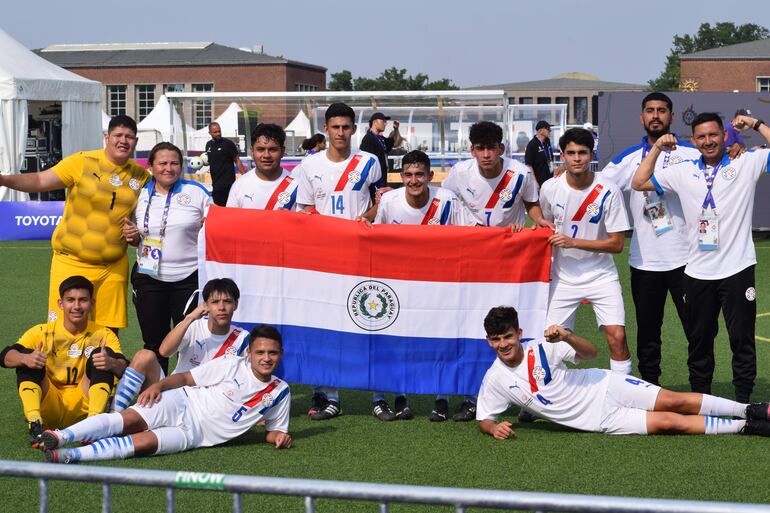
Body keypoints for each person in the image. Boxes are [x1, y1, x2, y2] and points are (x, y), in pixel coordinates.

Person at [631, 112, 770, 403]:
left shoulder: (745, 163)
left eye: (714, 135)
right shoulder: (682, 171)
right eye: (702, 137)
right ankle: (701, 399)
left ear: (724, 136)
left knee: (741, 339)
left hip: (737, 268)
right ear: (694, 141)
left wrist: (756, 124)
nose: (708, 141)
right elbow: (639, 182)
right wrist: (657, 148)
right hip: (696, 272)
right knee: (699, 342)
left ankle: (742, 400)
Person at [476, 306, 770, 439]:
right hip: (600, 420)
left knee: (673, 400)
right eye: (497, 339)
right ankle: (745, 427)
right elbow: (484, 418)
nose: (503, 344)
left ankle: (749, 409)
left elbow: (590, 354)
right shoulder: (495, 379)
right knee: (670, 423)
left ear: (519, 334)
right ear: (490, 340)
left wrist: (566, 336)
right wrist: (493, 428)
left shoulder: (543, 345)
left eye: (508, 337)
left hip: (605, 385)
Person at [37, 325, 291, 463]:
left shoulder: (281, 391)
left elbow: (274, 430)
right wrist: (158, 386)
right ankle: (60, 436)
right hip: (182, 402)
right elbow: (185, 378)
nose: (266, 358)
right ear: (249, 352)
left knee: (144, 443)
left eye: (272, 353)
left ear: (280, 354)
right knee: (129, 421)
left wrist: (279, 438)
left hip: (195, 435)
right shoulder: (230, 364)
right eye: (260, 352)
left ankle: (68, 455)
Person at [0, 115, 150, 332]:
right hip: (71, 262)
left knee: (107, 334)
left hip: (113, 268)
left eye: (129, 137)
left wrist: (135, 236)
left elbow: (142, 222)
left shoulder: (141, 176)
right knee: (62, 331)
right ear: (106, 137)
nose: (123, 141)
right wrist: (4, 180)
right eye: (118, 135)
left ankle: (101, 368)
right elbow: (40, 180)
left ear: (135, 141)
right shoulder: (82, 161)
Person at [601, 93, 701, 386]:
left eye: (661, 110)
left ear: (672, 115)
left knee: (696, 330)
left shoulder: (693, 153)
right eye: (650, 111)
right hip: (644, 261)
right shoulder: (627, 158)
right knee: (647, 332)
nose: (655, 115)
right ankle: (650, 390)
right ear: (641, 117)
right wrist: (563, 173)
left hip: (688, 259)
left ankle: (700, 388)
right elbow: (596, 187)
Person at [372, 150, 477, 421]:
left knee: (441, 341)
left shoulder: (448, 200)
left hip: (440, 284)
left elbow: (473, 234)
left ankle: (441, 399)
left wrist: (509, 236)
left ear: (430, 176)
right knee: (397, 342)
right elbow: (375, 239)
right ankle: (395, 396)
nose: (414, 180)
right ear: (401, 176)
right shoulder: (390, 201)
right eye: (408, 175)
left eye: (419, 174)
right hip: (399, 283)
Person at [294, 102, 382, 420]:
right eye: (335, 127)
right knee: (324, 327)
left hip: (361, 255)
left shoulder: (369, 162)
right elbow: (303, 210)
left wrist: (367, 217)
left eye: (346, 127)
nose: (341, 133)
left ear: (354, 129)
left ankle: (379, 394)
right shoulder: (310, 165)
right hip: (322, 260)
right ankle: (329, 395)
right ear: (326, 130)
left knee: (370, 321)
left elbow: (380, 203)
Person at [539, 128, 632, 376]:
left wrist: (574, 242)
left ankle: (621, 395)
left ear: (592, 155)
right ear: (562, 156)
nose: (577, 158)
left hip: (601, 276)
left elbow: (617, 244)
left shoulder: (609, 190)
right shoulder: (550, 188)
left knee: (617, 337)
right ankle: (546, 395)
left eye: (582, 152)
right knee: (549, 340)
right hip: (562, 278)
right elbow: (544, 222)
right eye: (571, 153)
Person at [0, 276, 127, 445]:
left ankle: (94, 424)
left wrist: (112, 363)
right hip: (50, 403)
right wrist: (26, 358)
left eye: (83, 300)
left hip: (85, 402)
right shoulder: (42, 331)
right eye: (70, 300)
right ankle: (35, 424)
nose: (76, 306)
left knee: (102, 357)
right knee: (29, 359)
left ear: (92, 303)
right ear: (60, 304)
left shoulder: (104, 334)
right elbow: (5, 356)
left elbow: (125, 366)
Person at [121, 143, 211, 374]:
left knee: (191, 341)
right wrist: (131, 236)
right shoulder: (138, 195)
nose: (168, 168)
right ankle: (156, 395)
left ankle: (189, 394)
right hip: (149, 279)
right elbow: (132, 234)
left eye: (174, 163)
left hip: (189, 279)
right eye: (162, 163)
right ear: (150, 166)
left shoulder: (196, 192)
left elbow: (218, 226)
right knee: (154, 343)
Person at [110, 278, 249, 412]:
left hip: (207, 405)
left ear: (236, 304)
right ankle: (114, 413)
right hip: (173, 391)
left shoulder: (243, 338)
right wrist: (189, 318)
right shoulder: (193, 325)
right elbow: (164, 351)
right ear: (205, 305)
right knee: (144, 356)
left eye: (228, 301)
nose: (222, 307)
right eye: (215, 302)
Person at [443, 121, 551, 231]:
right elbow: (445, 199)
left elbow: (531, 202)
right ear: (472, 151)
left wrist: (539, 219)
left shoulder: (521, 174)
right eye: (480, 148)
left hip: (509, 239)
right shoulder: (460, 172)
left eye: (491, 148)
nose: (486, 155)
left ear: (501, 149)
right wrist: (467, 221)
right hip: (474, 239)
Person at [226, 123, 299, 210]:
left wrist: (292, 220)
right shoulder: (239, 185)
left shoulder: (297, 185)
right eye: (260, 149)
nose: (266, 155)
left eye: (273, 149)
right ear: (252, 152)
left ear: (282, 151)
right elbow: (231, 221)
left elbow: (307, 219)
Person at [204, 121, 247, 207]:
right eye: (215, 132)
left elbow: (237, 160)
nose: (218, 133)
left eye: (219, 131)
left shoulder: (228, 144)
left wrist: (245, 177)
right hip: (216, 183)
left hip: (228, 183)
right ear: (210, 133)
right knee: (218, 207)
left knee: (229, 208)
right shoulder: (208, 145)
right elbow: (210, 161)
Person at [359, 112, 403, 185]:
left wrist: (396, 129)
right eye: (383, 121)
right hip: (374, 181)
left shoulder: (380, 139)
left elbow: (396, 142)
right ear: (375, 122)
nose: (385, 124)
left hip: (382, 179)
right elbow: (367, 163)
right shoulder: (369, 138)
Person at [525, 120, 555, 186]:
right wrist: (535, 182)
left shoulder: (547, 141)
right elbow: (529, 165)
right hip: (540, 181)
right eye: (548, 129)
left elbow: (550, 158)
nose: (550, 131)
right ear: (540, 130)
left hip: (550, 178)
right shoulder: (532, 144)